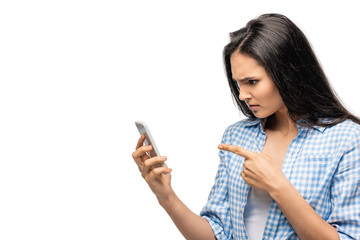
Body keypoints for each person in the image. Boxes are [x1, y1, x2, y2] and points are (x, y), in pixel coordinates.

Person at [132, 13, 360, 239]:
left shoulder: (347, 140)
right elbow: (217, 234)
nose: (242, 95)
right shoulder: (237, 137)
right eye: (237, 83)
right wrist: (166, 197)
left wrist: (277, 185)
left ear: (287, 73)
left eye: (252, 82)